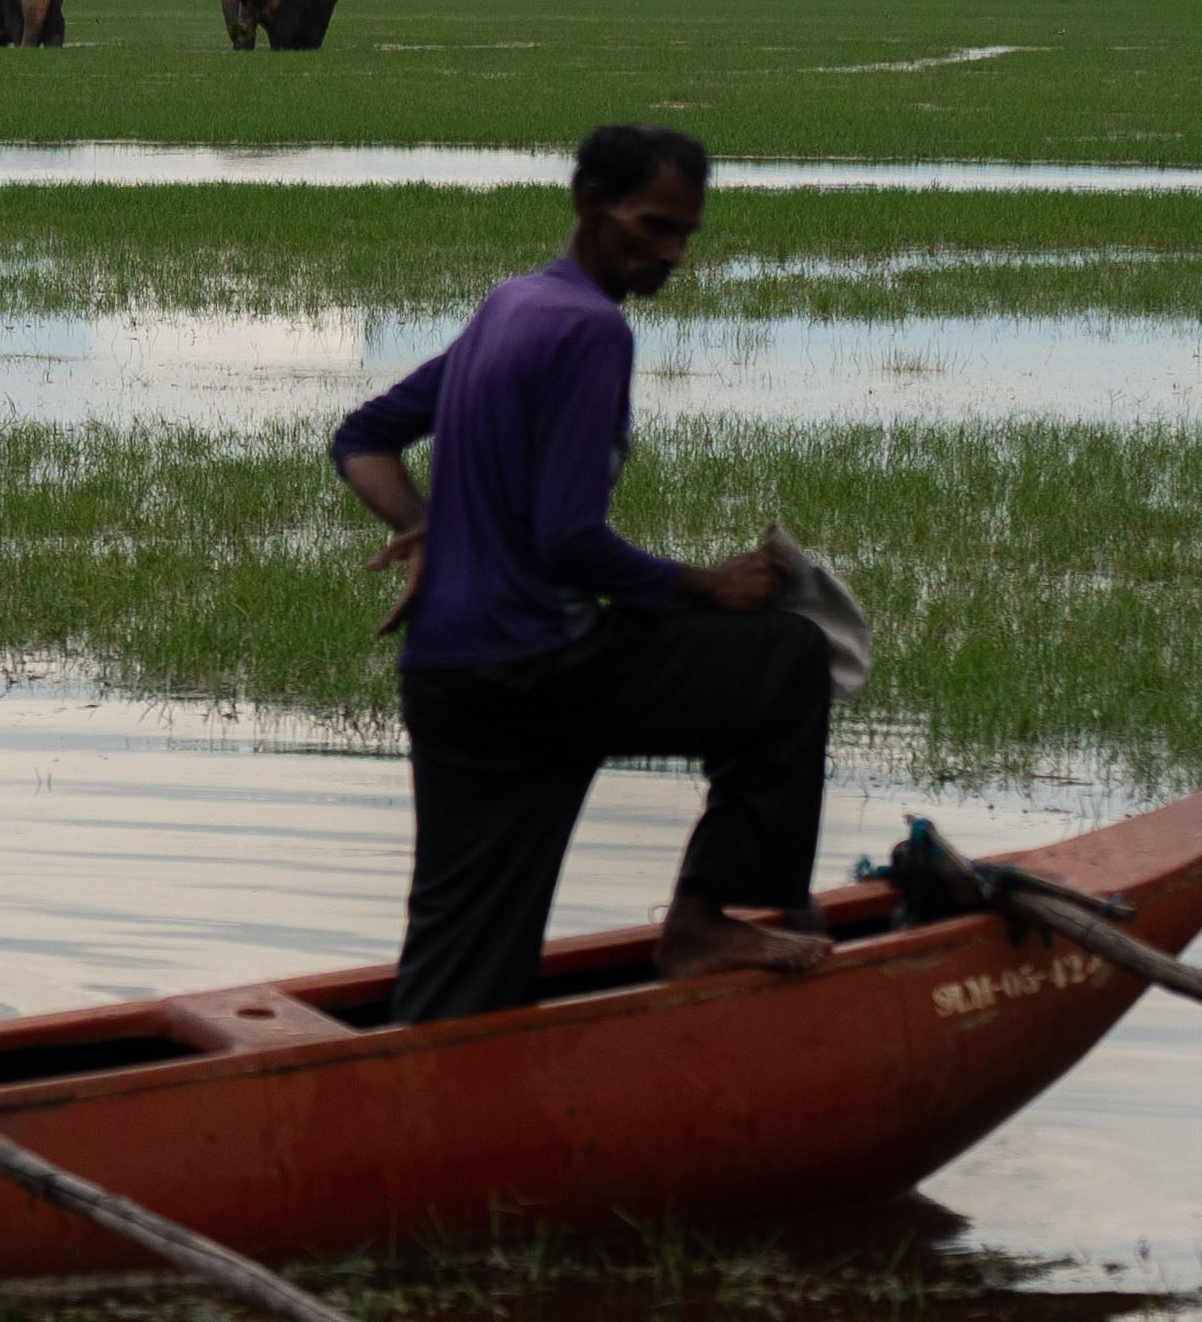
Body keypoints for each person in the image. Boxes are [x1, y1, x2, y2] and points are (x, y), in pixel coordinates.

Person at [330, 122, 832, 1027]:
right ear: (591, 205)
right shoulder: (591, 330)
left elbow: (362, 437)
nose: (672, 253)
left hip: (448, 679)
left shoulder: (511, 306)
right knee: (787, 659)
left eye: (686, 234)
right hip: (539, 667)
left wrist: (423, 527)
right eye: (653, 227)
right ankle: (709, 921)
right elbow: (567, 539)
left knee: (465, 955)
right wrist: (708, 586)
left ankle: (427, 1097)